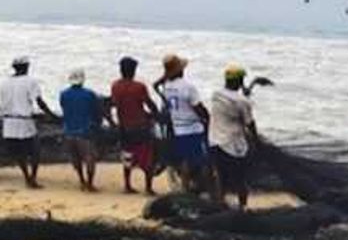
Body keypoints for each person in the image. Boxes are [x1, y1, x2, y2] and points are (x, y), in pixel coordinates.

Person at [0, 56, 59, 189]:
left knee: (19, 153)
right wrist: (52, 115)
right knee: (35, 151)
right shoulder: (30, 81)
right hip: (24, 122)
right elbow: (39, 101)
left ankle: (26, 176)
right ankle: (32, 177)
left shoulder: (4, 83)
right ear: (26, 66)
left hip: (9, 123)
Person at [154, 54, 210, 194]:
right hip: (193, 128)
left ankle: (185, 188)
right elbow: (199, 108)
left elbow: (157, 85)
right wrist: (208, 120)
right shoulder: (188, 87)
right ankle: (203, 187)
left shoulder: (167, 87)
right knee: (203, 161)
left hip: (178, 128)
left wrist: (165, 76)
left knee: (185, 161)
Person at [208, 66, 258, 209]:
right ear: (240, 81)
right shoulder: (242, 101)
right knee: (240, 178)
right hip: (234, 145)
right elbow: (249, 123)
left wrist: (244, 95)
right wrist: (256, 140)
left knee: (220, 175)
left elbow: (231, 99)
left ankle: (220, 204)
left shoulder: (216, 95)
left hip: (214, 141)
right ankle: (243, 207)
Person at [110, 56, 159, 194]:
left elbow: (114, 103)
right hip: (140, 126)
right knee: (147, 156)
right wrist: (155, 114)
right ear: (133, 71)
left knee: (127, 155)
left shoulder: (115, 86)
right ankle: (148, 188)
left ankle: (127, 185)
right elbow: (149, 104)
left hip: (124, 126)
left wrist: (113, 122)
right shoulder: (139, 87)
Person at [60, 69, 102, 192]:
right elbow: (96, 111)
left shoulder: (63, 94)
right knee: (89, 159)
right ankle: (90, 183)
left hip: (69, 131)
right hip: (85, 132)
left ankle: (82, 180)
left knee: (76, 159)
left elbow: (64, 109)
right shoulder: (89, 94)